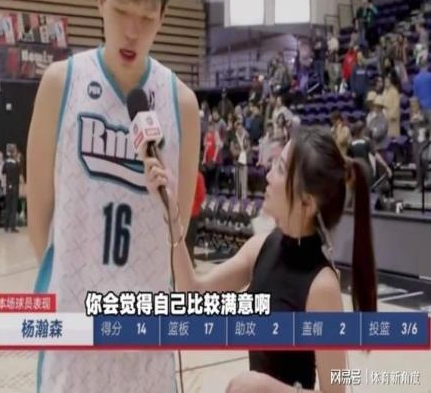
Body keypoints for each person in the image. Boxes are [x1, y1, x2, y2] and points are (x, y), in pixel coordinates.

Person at [26, 0, 200, 391]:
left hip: (147, 338)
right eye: (122, 11)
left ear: (163, 15)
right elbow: (39, 217)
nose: (132, 31)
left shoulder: (181, 104)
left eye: (147, 17)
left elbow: (177, 230)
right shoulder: (60, 83)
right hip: (73, 333)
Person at [143, 126, 377, 391]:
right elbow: (192, 293)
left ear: (306, 203)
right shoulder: (261, 247)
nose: (267, 175)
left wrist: (263, 386)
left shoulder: (322, 286)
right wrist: (172, 215)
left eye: (280, 169)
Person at [348, 121, 392, 186]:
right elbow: (376, 155)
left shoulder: (350, 143)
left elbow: (348, 159)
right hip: (366, 170)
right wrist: (386, 167)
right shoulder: (367, 141)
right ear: (362, 130)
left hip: (355, 171)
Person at [185, 170, 206, 268]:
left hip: (182, 210)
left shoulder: (182, 174)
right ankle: (190, 261)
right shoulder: (198, 176)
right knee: (190, 239)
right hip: (193, 212)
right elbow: (201, 196)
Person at [3, 145, 21, 233]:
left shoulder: (6, 163)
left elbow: (3, 173)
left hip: (8, 186)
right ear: (14, 153)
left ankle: (6, 226)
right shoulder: (16, 164)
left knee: (8, 206)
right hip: (15, 186)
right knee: (14, 207)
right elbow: (19, 175)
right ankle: (12, 227)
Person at [382, 71, 401, 138]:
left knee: (393, 136)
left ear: (391, 82)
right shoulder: (384, 91)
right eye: (385, 82)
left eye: (387, 81)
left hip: (392, 118)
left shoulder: (394, 91)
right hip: (384, 116)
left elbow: (396, 106)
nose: (386, 83)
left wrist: (390, 116)